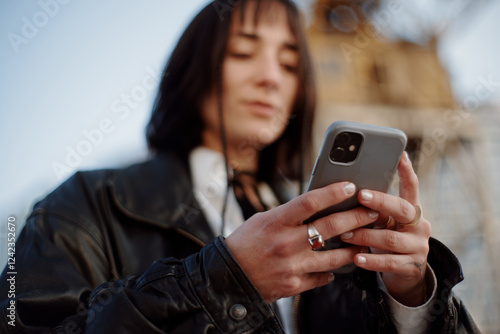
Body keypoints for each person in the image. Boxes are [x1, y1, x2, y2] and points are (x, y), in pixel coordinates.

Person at [0, 0, 479, 333]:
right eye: (243, 52)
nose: (271, 77)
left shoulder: (333, 219)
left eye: (291, 64)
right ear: (195, 69)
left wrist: (413, 296)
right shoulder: (84, 203)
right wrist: (221, 279)